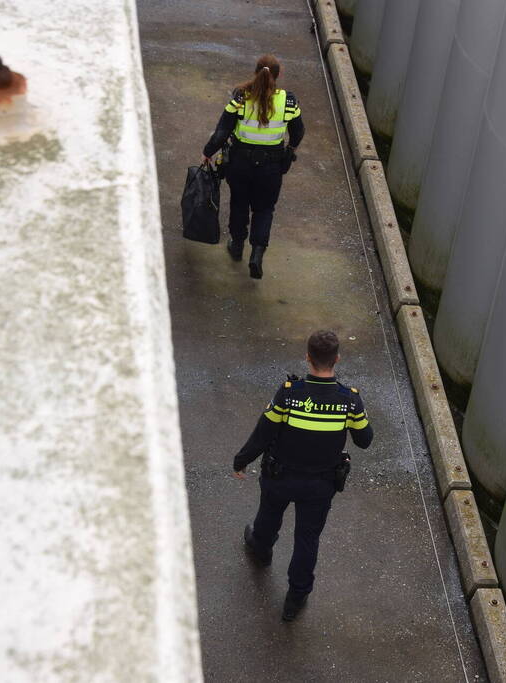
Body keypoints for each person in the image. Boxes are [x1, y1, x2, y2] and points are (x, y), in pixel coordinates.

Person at [233, 330, 374, 621]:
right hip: (320, 485)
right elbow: (365, 440)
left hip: (280, 477)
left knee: (269, 515)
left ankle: (261, 549)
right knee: (307, 539)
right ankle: (296, 598)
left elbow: (264, 432)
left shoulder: (289, 393)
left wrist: (242, 460)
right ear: (337, 359)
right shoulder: (349, 401)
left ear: (308, 357)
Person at [202, 54, 305, 279]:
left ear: (255, 72)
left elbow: (222, 132)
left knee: (239, 202)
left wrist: (208, 152)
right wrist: (290, 150)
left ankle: (237, 246)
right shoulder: (288, 101)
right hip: (271, 166)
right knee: (264, 209)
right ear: (278, 75)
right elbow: (298, 132)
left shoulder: (241, 97)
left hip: (240, 163)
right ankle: (257, 254)